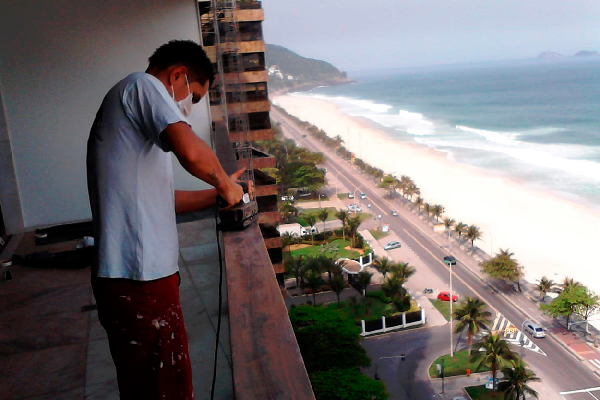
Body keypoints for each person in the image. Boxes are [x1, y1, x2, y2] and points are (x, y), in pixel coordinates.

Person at [86, 40, 246, 400]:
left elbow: (164, 200)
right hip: (139, 278)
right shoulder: (142, 86)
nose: (187, 110)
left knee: (148, 386)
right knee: (166, 389)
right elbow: (190, 151)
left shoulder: (131, 115)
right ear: (177, 75)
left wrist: (220, 194)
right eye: (194, 97)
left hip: (133, 277)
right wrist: (223, 181)